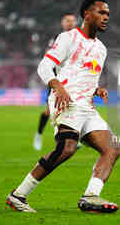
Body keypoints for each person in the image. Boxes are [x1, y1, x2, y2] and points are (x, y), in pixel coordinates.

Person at [6, 0, 120, 213]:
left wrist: (97, 89)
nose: (106, 17)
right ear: (87, 14)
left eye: (107, 14)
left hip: (87, 106)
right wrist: (58, 87)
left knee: (112, 149)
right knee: (67, 148)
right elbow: (44, 67)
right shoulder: (68, 38)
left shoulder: (101, 49)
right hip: (65, 100)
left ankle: (90, 197)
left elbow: (83, 75)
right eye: (101, 13)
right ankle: (18, 195)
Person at [33, 13, 77, 151]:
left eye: (72, 21)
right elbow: (49, 60)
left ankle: (74, 137)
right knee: (49, 111)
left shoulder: (79, 40)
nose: (70, 23)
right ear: (62, 23)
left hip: (74, 80)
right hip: (57, 80)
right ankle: (39, 134)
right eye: (67, 21)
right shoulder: (57, 40)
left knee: (75, 107)